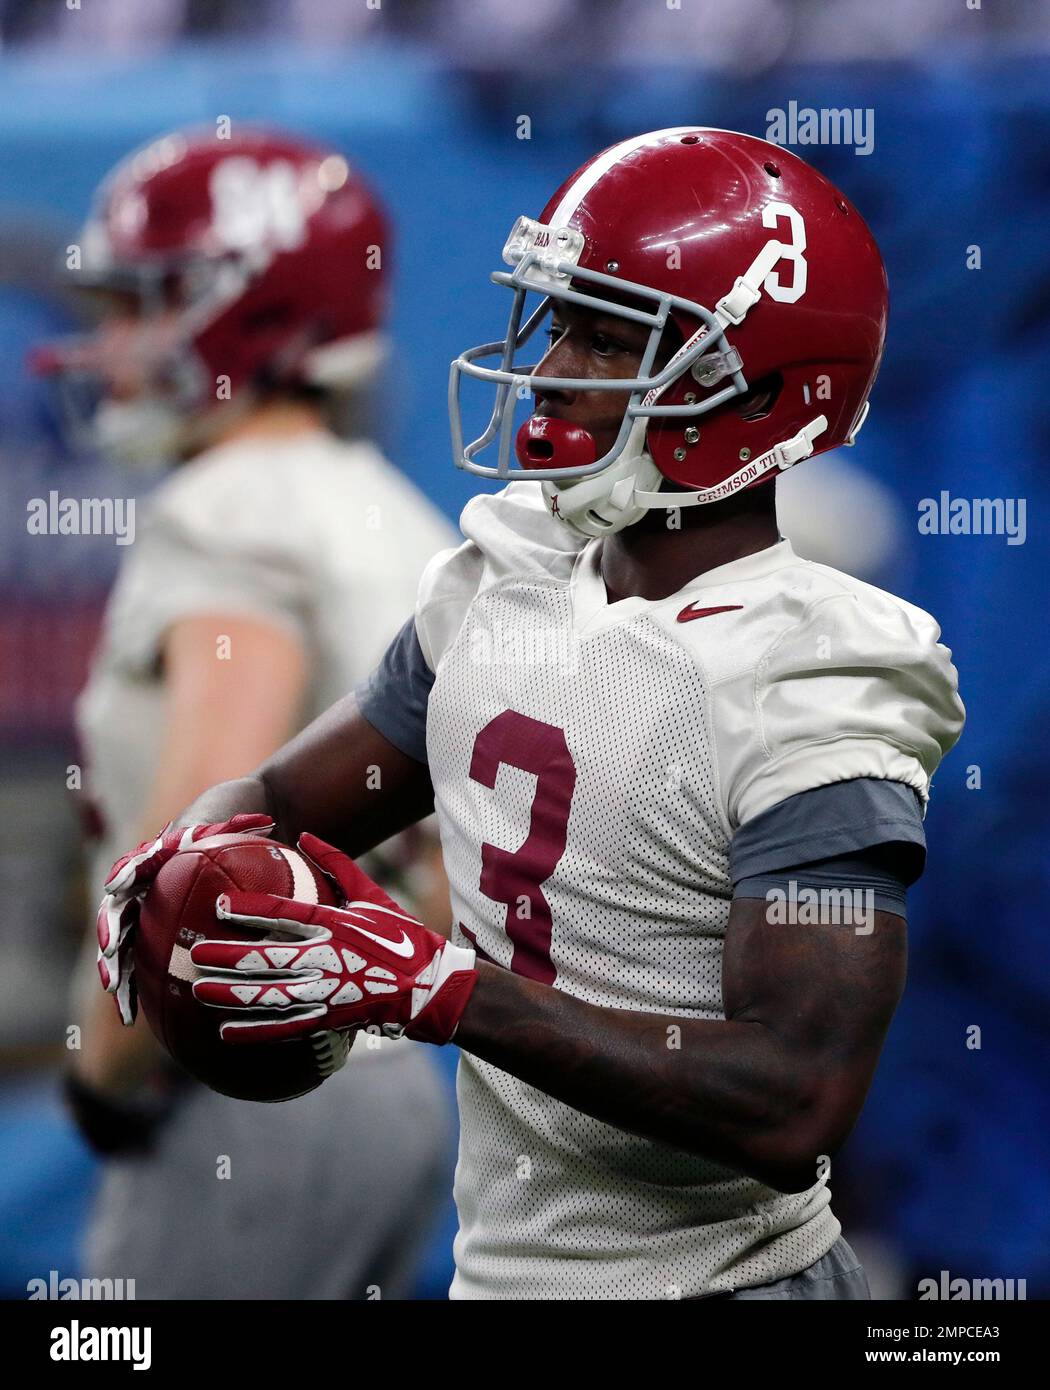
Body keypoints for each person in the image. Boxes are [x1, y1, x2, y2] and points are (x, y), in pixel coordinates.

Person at [97, 128, 965, 1301]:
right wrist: (186, 862)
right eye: (560, 320)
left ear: (751, 386)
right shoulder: (511, 574)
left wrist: (440, 987)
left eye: (609, 336)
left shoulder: (815, 672)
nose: (553, 366)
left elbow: (793, 1099)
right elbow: (287, 805)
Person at [41, 126, 459, 1299]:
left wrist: (109, 1066)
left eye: (139, 304)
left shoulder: (226, 512)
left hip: (244, 1088)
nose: (111, 344)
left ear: (235, 309)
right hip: (385, 1079)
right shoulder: (385, 510)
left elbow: (205, 845)